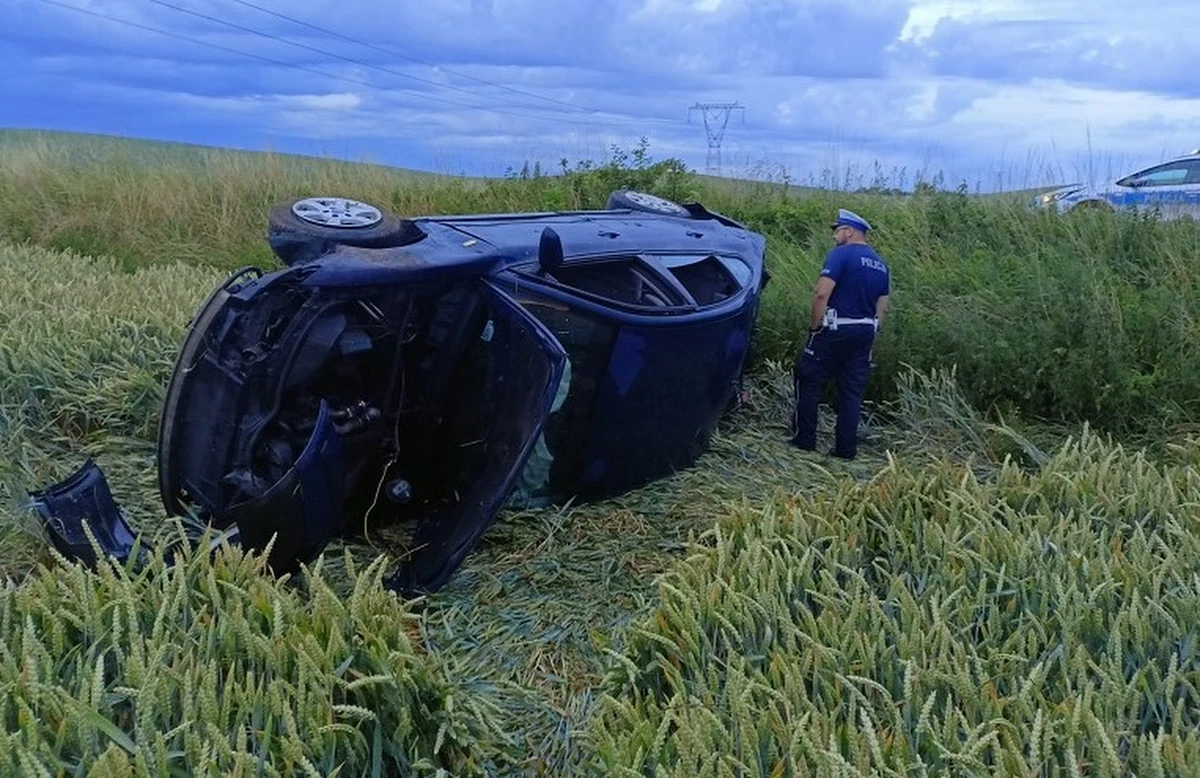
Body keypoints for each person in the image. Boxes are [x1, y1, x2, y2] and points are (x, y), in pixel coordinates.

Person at [790, 208, 890, 459]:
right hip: (865, 331)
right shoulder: (880, 263)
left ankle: (805, 441)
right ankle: (845, 450)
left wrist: (815, 326)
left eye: (837, 231)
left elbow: (821, 293)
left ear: (849, 231)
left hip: (835, 329)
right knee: (851, 391)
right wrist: (872, 329)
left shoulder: (841, 255)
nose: (835, 236)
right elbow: (883, 304)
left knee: (808, 378)